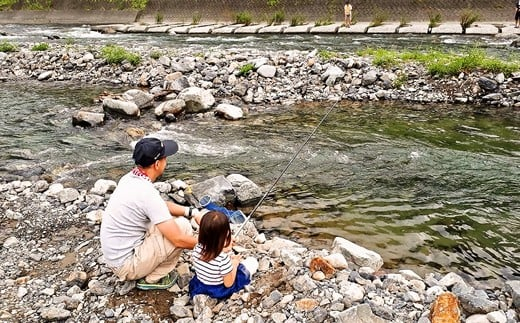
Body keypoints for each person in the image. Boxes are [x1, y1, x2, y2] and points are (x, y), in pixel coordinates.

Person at [100, 137, 202, 290]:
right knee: (183, 227)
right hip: (126, 266)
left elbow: (159, 206)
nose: (166, 161)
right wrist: (214, 244)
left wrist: (192, 212)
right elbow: (178, 240)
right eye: (165, 158)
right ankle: (153, 278)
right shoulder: (146, 193)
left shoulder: (130, 178)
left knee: (173, 221)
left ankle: (147, 266)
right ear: (157, 164)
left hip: (116, 256)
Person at [189, 211, 258, 300]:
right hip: (219, 290)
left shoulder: (197, 248)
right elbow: (228, 284)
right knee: (252, 262)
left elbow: (211, 251)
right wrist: (234, 264)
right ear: (225, 235)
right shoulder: (222, 259)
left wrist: (224, 248)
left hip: (201, 285)